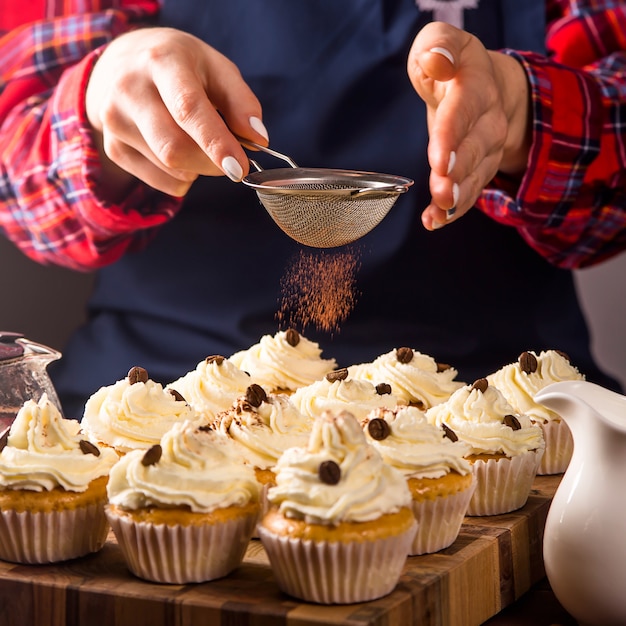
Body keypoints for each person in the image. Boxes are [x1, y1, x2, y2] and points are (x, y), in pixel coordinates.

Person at [1, 1, 625, 419]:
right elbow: (15, 171)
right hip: (163, 395)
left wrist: (525, 115)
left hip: (495, 395)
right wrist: (95, 98)